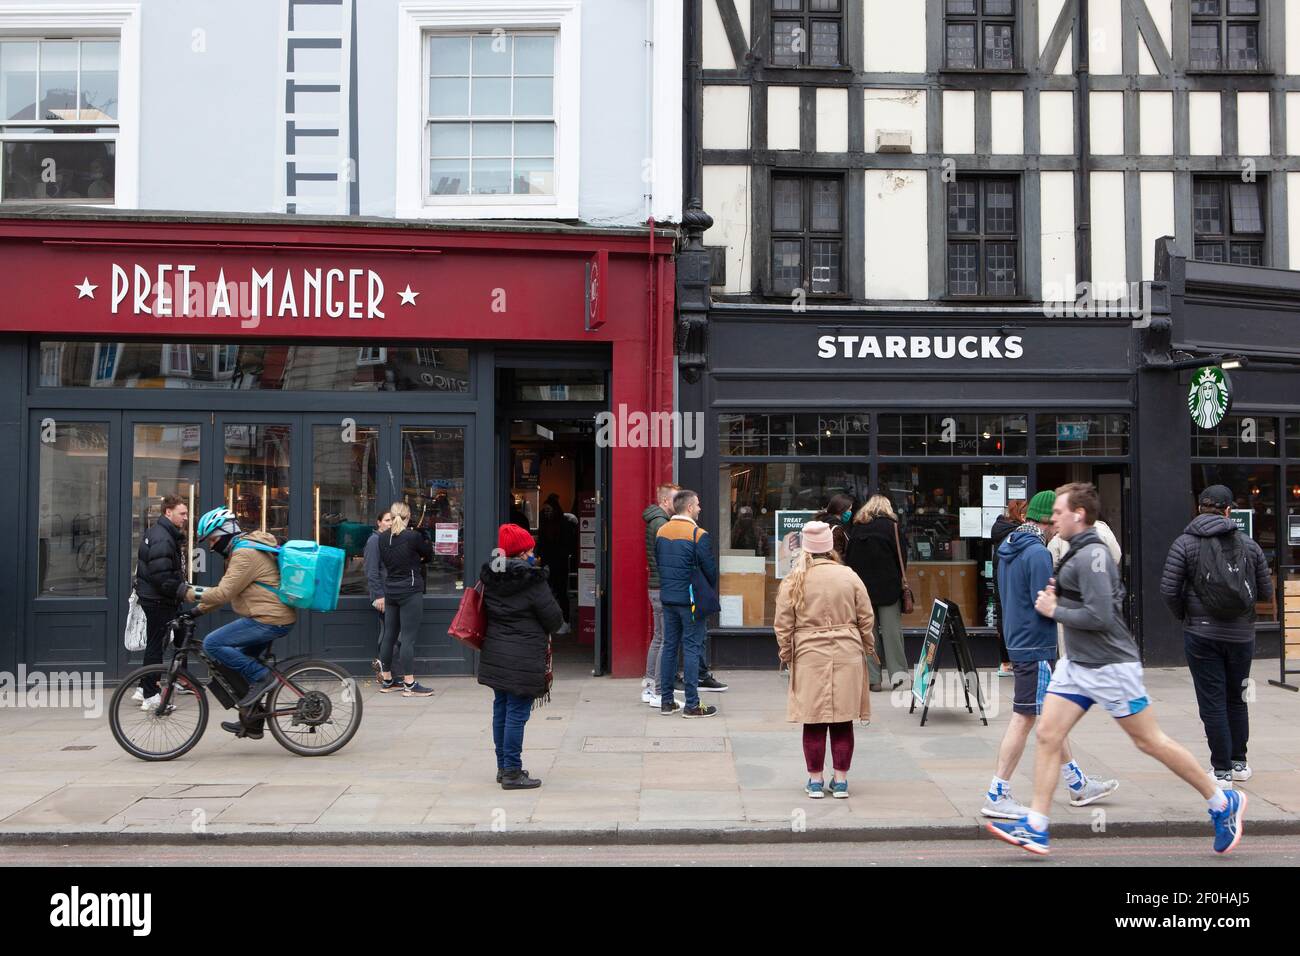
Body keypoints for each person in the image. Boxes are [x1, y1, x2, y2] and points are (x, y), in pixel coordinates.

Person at [987, 483, 1246, 856]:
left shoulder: (1092, 554)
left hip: (1110, 664)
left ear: (1078, 515)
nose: (1052, 517)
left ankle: (1222, 801)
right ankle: (1037, 826)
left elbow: (1100, 615)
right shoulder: (1073, 551)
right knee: (1047, 734)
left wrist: (1053, 609)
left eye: (1059, 511)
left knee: (1149, 741)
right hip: (1077, 664)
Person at [982, 489, 1117, 820]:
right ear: (1044, 520)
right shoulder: (1038, 554)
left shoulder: (1008, 548)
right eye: (1054, 519)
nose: (1057, 526)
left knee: (1050, 718)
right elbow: (1045, 604)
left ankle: (1077, 783)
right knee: (1025, 717)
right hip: (1036, 645)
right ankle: (997, 793)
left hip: (1018, 639)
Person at [1160, 484, 1273, 788]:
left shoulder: (1184, 543)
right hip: (1241, 636)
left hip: (1201, 635)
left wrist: (1188, 615)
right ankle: (1239, 763)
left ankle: (1220, 770)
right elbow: (1265, 592)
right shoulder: (1249, 545)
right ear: (1228, 511)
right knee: (1237, 699)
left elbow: (1169, 590)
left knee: (1212, 701)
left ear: (1199, 508)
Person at [774, 521, 874, 799]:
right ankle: (840, 781)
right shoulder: (849, 575)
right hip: (847, 651)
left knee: (814, 720)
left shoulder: (795, 578)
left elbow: (783, 623)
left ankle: (815, 781)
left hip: (809, 655)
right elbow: (866, 617)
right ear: (829, 548)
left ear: (805, 548)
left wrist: (786, 654)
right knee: (843, 720)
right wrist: (867, 646)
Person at [185, 507, 297, 740]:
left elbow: (223, 593)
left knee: (212, 643)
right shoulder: (242, 550)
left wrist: (188, 593)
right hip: (267, 616)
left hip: (270, 619)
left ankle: (264, 677)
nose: (211, 546)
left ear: (225, 532)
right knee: (236, 666)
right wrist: (196, 612)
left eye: (213, 539)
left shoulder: (244, 554)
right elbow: (228, 592)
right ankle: (253, 722)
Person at [478, 523, 563, 790]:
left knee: (501, 710)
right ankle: (513, 773)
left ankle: (504, 767)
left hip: (496, 653)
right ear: (523, 549)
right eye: (530, 548)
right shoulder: (532, 580)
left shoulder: (490, 577)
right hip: (523, 657)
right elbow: (554, 619)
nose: (532, 552)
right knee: (516, 713)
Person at [655, 489, 719, 718]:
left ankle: (666, 701)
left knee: (670, 646)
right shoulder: (698, 533)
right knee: (692, 648)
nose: (700, 508)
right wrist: (709, 590)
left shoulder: (661, 531)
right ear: (689, 508)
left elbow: (658, 561)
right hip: (691, 599)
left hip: (668, 597)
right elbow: (710, 569)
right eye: (698, 504)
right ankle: (692, 704)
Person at [844, 495, 908, 692]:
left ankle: (873, 679)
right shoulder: (893, 528)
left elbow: (849, 560)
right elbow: (902, 558)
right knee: (892, 634)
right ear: (887, 508)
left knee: (868, 635)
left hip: (863, 590)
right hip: (889, 588)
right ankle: (899, 678)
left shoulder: (857, 529)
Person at [132, 495, 190, 708]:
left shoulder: (162, 533)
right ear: (168, 512)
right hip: (158, 599)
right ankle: (150, 695)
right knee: (156, 645)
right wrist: (182, 590)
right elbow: (161, 576)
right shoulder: (163, 538)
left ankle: (144, 686)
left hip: (157, 598)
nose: (185, 517)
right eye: (182, 513)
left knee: (168, 638)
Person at [377, 501, 434, 697]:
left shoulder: (382, 538)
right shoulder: (413, 537)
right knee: (408, 639)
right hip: (410, 591)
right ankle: (409, 683)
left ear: (392, 517)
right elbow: (429, 555)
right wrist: (418, 559)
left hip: (391, 590)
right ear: (409, 516)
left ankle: (387, 680)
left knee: (389, 635)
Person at [641, 482, 681, 706]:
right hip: (662, 586)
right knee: (666, 640)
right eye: (676, 499)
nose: (679, 504)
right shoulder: (661, 523)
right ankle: (657, 690)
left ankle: (649, 686)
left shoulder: (656, 520)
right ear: (665, 501)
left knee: (659, 637)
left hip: (655, 586)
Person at [989, 499, 1027, 678]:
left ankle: (1005, 663)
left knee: (1003, 617)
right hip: (1008, 581)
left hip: (1000, 579)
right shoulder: (1014, 534)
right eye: (1025, 513)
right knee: (1009, 618)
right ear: (1019, 514)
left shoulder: (1001, 529)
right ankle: (1010, 662)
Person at [536, 495, 574, 635]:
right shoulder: (546, 524)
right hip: (548, 563)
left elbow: (567, 544)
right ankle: (554, 622)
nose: (546, 512)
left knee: (561, 592)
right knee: (549, 593)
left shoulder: (563, 524)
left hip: (559, 563)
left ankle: (564, 621)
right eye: (544, 510)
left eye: (548, 509)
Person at [365, 509, 393, 683]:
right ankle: (383, 668)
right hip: (382, 595)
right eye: (387, 520)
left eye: (392, 520)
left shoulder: (384, 540)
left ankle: (385, 667)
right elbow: (372, 571)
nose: (390, 523)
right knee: (388, 632)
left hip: (387, 593)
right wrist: (379, 595)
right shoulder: (374, 541)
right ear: (379, 522)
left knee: (389, 631)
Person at [813, 493, 855, 558]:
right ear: (841, 509)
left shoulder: (824, 523)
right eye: (849, 510)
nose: (850, 512)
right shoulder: (836, 529)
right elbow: (836, 555)